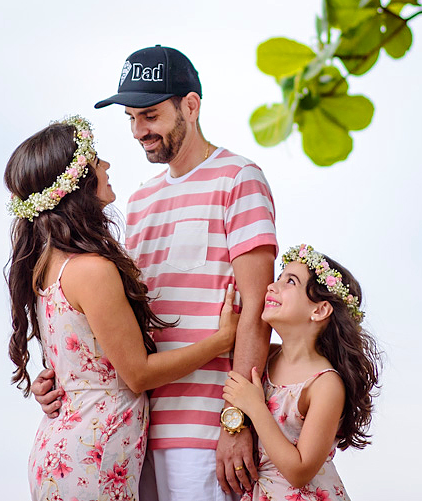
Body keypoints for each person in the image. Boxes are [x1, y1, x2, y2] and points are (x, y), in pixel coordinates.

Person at [32, 45, 279, 500]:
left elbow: (259, 310)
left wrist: (238, 420)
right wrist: (57, 376)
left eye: (149, 115)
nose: (138, 131)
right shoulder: (140, 201)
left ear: (191, 105)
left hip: (204, 432)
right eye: (130, 118)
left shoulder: (239, 179)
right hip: (133, 431)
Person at [4, 115, 239, 501]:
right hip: (94, 455)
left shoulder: (47, 267)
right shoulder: (92, 271)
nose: (107, 166)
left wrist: (53, 381)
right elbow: (138, 374)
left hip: (66, 448)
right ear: (77, 182)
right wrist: (222, 340)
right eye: (96, 160)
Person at [222, 244, 380, 501]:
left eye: (290, 282)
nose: (272, 286)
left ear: (319, 310)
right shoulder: (266, 358)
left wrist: (254, 407)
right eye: (279, 278)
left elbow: (300, 471)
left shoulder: (325, 384)